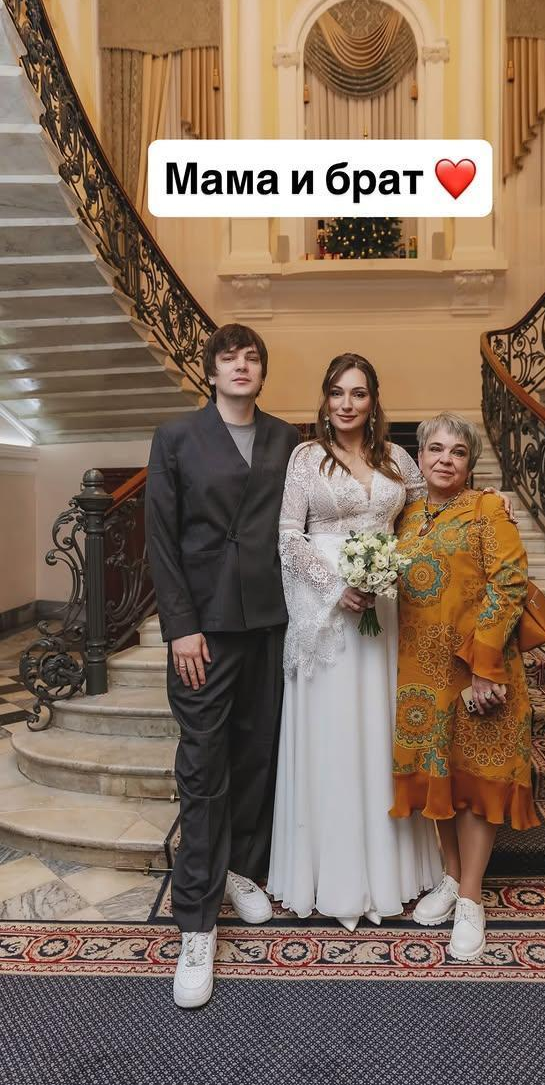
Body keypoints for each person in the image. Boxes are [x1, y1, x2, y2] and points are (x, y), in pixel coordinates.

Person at [145, 323, 299, 1008]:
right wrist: (179, 626)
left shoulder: (287, 439)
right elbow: (161, 537)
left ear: (262, 372)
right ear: (210, 371)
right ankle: (197, 924)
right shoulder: (176, 436)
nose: (241, 366)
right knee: (203, 769)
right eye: (229, 358)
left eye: (251, 357)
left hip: (269, 621)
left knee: (257, 755)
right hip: (203, 629)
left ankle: (240, 868)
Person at [267, 353, 444, 928]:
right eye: (338, 392)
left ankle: (390, 870)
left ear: (373, 401)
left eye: (359, 393)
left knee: (379, 725)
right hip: (325, 609)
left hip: (384, 606)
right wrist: (333, 586)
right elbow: (289, 534)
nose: (347, 404)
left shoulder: (397, 458)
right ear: (325, 398)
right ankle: (331, 872)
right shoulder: (305, 458)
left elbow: (429, 510)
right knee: (333, 729)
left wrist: (492, 501)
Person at [390, 412, 539, 962]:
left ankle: (472, 898)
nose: (445, 459)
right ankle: (451, 878)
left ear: (470, 463)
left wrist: (484, 666)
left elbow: (510, 582)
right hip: (422, 675)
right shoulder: (406, 516)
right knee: (443, 778)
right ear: (420, 457)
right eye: (435, 448)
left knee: (478, 782)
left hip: (479, 669)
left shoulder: (487, 510)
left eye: (457, 451)